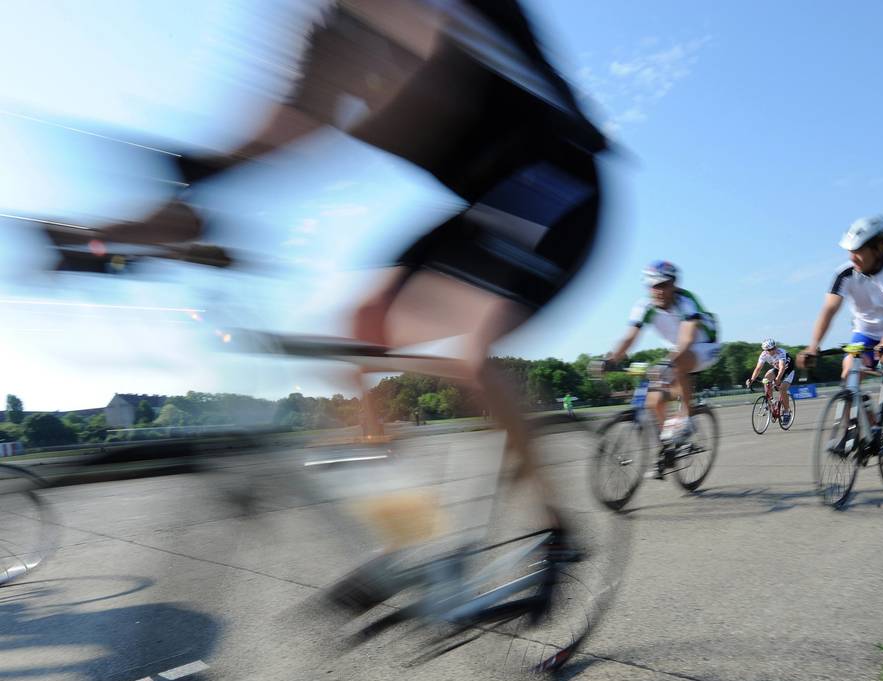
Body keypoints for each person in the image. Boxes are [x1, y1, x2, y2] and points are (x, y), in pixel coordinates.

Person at [58, 0, 608, 555]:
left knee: (469, 339)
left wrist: (184, 200)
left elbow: (303, 126)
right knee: (359, 326)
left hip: (554, 186)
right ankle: (412, 538)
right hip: (489, 205)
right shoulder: (327, 28)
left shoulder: (389, 17)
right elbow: (275, 133)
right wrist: (126, 228)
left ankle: (555, 526)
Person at [797, 214, 883, 449]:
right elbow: (829, 310)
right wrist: (813, 345)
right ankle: (851, 428)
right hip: (865, 330)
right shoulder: (844, 273)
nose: (851, 257)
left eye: (858, 250)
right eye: (849, 251)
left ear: (879, 248)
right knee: (848, 375)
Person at [609, 260, 720, 443]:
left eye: (664, 285)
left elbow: (687, 338)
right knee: (654, 400)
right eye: (653, 286)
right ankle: (668, 445)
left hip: (705, 347)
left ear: (674, 285)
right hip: (679, 352)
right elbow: (630, 336)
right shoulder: (644, 307)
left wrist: (669, 360)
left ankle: (687, 418)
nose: (658, 290)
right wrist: (611, 359)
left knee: (676, 362)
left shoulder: (686, 301)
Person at [746, 338, 794, 425]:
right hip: (777, 369)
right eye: (769, 350)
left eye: (773, 348)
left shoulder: (781, 352)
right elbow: (758, 368)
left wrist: (778, 379)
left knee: (782, 389)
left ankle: (787, 412)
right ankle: (771, 401)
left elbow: (782, 367)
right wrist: (751, 379)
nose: (772, 351)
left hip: (788, 370)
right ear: (765, 350)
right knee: (766, 379)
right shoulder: (763, 355)